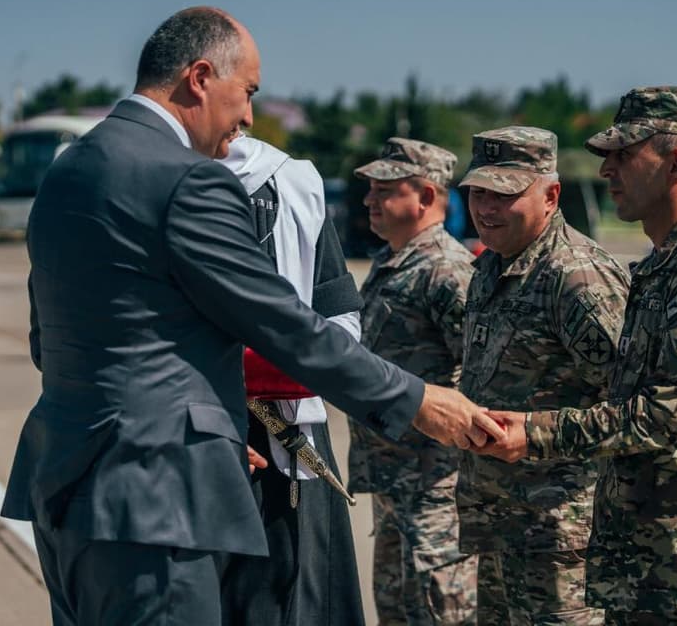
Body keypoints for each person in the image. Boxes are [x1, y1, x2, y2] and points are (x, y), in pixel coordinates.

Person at [0, 6, 503, 626]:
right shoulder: (188, 181)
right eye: (248, 93)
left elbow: (49, 340)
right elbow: (282, 324)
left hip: (65, 489)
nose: (248, 117)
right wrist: (419, 400)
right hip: (156, 501)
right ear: (201, 77)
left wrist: (207, 426)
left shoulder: (69, 172)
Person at [475, 87, 677, 625]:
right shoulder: (660, 268)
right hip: (644, 569)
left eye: (624, 155)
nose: (606, 171)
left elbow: (667, 416)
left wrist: (536, 432)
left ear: (676, 164)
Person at [455, 126, 629, 625]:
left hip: (560, 536)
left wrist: (535, 436)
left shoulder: (575, 279)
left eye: (504, 195)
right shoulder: (493, 266)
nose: (486, 208)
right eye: (478, 193)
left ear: (551, 195)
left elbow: (635, 410)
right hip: (499, 524)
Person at [218, 133, 365, 625]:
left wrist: (297, 368)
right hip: (202, 424)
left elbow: (337, 308)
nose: (245, 117)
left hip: (290, 426)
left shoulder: (293, 180)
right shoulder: (165, 178)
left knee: (298, 591)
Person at [347, 137, 478, 625]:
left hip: (435, 492)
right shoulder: (392, 261)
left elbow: (481, 375)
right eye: (371, 190)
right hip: (394, 486)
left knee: (440, 613)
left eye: (385, 190)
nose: (369, 201)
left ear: (426, 196)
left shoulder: (447, 269)